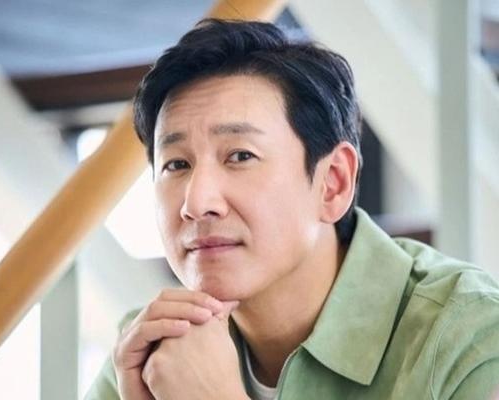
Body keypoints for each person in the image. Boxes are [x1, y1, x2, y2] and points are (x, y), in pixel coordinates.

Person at [84, 19, 499, 400]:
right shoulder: (152, 346)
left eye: (240, 156)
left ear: (333, 182)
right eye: (177, 164)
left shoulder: (471, 337)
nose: (197, 203)